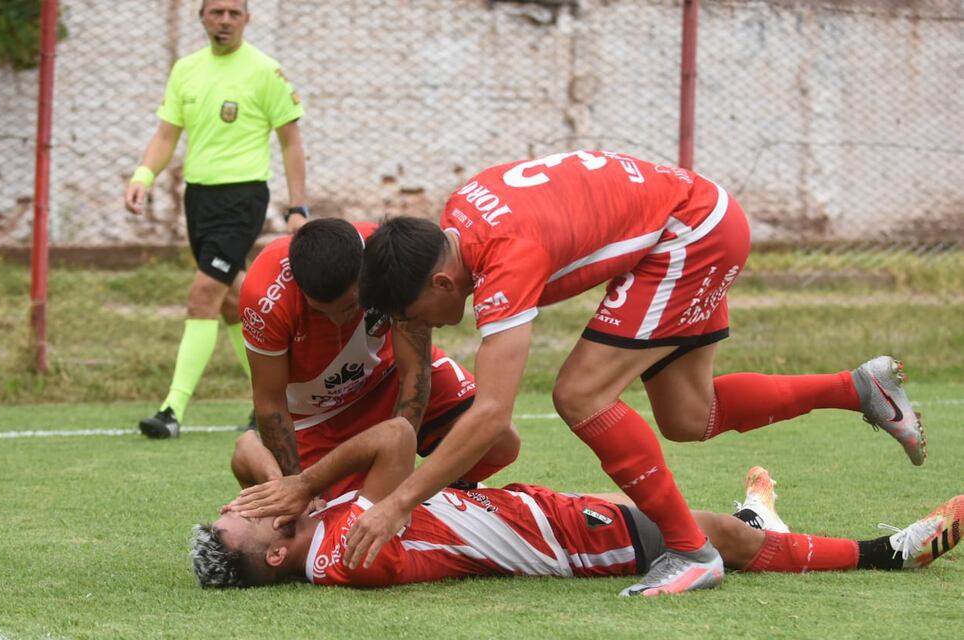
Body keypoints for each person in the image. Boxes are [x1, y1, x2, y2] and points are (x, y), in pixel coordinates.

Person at [349, 150, 928, 595]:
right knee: (689, 416)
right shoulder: (458, 216)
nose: (419, 326)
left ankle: (691, 552)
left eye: (412, 315)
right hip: (697, 218)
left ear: (441, 282)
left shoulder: (503, 261)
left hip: (688, 235)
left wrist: (398, 502)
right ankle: (861, 387)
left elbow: (493, 414)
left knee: (580, 394)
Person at [189, 417, 961, 590]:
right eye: (244, 519)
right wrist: (303, 487)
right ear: (277, 551)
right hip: (559, 544)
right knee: (712, 537)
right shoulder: (343, 550)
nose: (247, 504)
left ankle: (759, 518)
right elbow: (394, 437)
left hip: (535, 515)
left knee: (673, 510)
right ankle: (887, 554)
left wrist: (280, 487)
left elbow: (247, 445)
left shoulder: (305, 530)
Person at [124, 0, 310, 438]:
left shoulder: (266, 71)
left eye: (233, 13)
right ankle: (275, 401)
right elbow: (167, 134)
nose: (224, 20)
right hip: (199, 199)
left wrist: (297, 208)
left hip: (243, 198)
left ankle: (171, 410)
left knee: (203, 294)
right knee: (231, 302)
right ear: (202, 17)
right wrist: (143, 175)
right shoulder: (186, 70)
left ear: (247, 19)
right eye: (216, 12)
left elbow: (291, 142)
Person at [232, 217, 520, 498]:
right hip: (320, 415)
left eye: (350, 307)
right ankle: (250, 451)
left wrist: (398, 469)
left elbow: (415, 369)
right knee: (335, 516)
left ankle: (437, 500)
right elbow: (270, 402)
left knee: (499, 442)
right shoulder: (265, 296)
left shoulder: (385, 256)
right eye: (320, 312)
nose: (337, 321)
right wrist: (297, 488)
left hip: (388, 375)